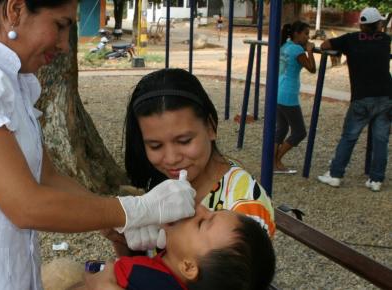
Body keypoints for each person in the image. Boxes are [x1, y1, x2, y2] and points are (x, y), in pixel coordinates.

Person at [0, 0, 196, 289]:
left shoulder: (12, 78)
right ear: (15, 9)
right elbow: (25, 205)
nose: (65, 44)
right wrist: (135, 210)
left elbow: (46, 177)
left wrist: (116, 225)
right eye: (60, 25)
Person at [104, 68, 275, 253]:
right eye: (155, 146)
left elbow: (234, 281)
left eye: (184, 141)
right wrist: (121, 240)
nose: (171, 159)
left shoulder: (244, 208)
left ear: (211, 127)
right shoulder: (164, 186)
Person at [75, 205, 276, 290]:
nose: (199, 209)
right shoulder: (169, 271)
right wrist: (122, 240)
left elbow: (98, 280)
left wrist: (98, 281)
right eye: (211, 211)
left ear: (188, 267)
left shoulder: (134, 274)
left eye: (201, 223)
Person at [317, 7, 391, 192]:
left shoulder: (350, 40)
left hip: (361, 97)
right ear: (378, 25)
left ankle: (336, 174)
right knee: (381, 140)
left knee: (349, 137)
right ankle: (376, 180)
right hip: (385, 96)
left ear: (361, 24)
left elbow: (325, 45)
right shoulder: (385, 40)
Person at [274, 21, 316, 174]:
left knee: (282, 128)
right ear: (297, 34)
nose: (307, 37)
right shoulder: (297, 50)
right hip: (288, 95)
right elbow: (312, 69)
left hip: (277, 91)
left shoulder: (285, 46)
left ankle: (272, 162)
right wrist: (310, 51)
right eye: (305, 33)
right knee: (299, 132)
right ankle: (277, 160)